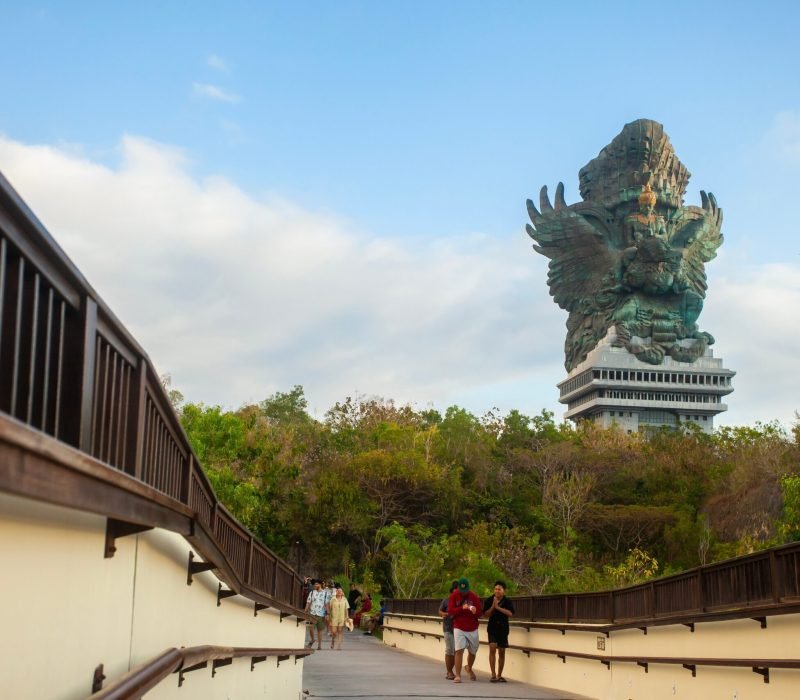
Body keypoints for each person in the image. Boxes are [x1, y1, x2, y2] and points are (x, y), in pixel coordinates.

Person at [447, 577, 482, 683]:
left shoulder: (474, 596)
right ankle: (458, 675)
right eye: (461, 591)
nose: (463, 593)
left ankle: (469, 668)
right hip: (459, 627)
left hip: (472, 628)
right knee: (459, 650)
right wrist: (461, 608)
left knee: (473, 652)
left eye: (465, 591)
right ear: (458, 588)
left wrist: (475, 611)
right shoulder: (454, 596)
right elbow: (450, 611)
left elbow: (480, 613)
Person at [484, 580, 515, 683]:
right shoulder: (489, 600)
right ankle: (493, 675)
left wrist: (498, 608)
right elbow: (486, 614)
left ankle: (499, 675)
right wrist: (493, 607)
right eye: (496, 589)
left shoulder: (507, 601)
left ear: (504, 591)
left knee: (501, 651)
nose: (497, 591)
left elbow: (510, 613)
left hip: (503, 628)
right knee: (492, 648)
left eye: (499, 589)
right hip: (492, 628)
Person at [439, 581, 458, 680]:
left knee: (456, 651)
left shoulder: (462, 602)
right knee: (449, 650)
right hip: (448, 628)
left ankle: (450, 670)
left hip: (458, 628)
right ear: (452, 590)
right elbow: (440, 611)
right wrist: (445, 614)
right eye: (456, 590)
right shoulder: (446, 600)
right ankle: (449, 672)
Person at [304, 579, 327, 650]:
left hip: (321, 614)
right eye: (314, 584)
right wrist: (305, 611)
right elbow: (308, 602)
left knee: (319, 630)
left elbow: (327, 604)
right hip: (312, 613)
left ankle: (319, 645)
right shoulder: (312, 593)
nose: (315, 585)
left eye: (316, 584)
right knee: (310, 628)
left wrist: (328, 614)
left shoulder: (325, 593)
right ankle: (313, 639)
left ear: (320, 585)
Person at [329, 585, 350, 650]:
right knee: (334, 632)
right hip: (334, 617)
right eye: (338, 591)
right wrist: (329, 617)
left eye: (340, 591)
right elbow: (330, 609)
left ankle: (339, 646)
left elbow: (346, 609)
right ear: (336, 592)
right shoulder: (333, 599)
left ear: (342, 592)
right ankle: (333, 641)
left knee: (340, 631)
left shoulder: (344, 599)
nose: (339, 592)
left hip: (342, 618)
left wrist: (347, 616)